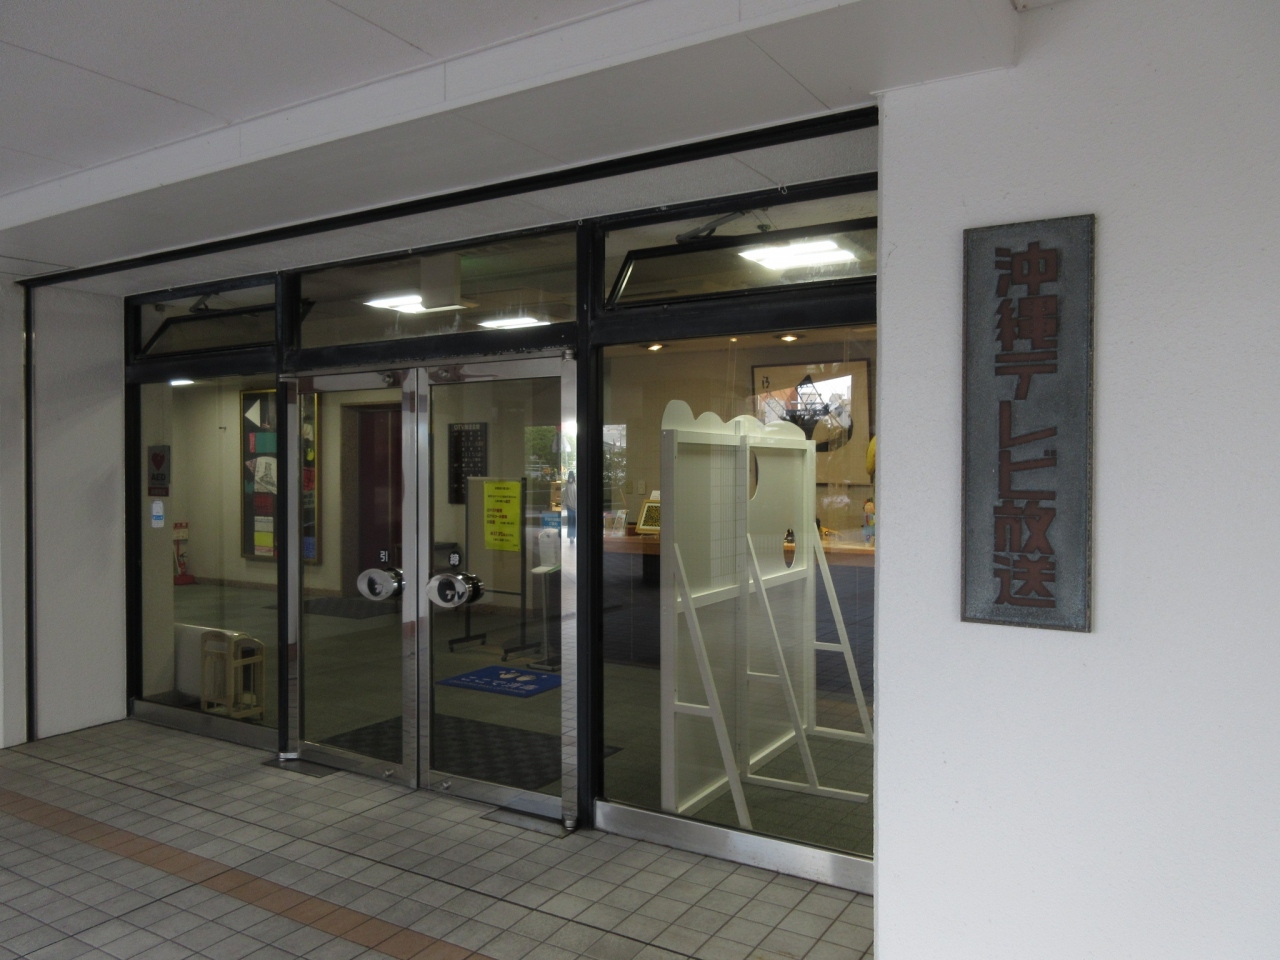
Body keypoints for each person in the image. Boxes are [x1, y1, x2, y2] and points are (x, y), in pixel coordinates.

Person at [563, 470, 577, 543]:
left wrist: (564, 504)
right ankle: (572, 536)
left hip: (571, 507)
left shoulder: (569, 485)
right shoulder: (573, 485)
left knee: (571, 522)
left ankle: (572, 536)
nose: (570, 478)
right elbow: (566, 496)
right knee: (572, 522)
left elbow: (565, 496)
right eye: (570, 477)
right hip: (572, 507)